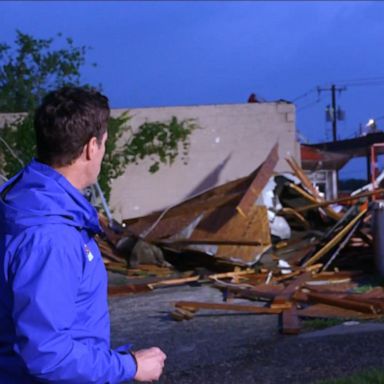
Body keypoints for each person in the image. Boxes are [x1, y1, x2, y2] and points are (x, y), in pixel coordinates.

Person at [0, 87, 166, 383]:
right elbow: (47, 354)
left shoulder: (25, 202)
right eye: (104, 144)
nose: (103, 151)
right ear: (91, 147)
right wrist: (130, 366)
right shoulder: (50, 234)